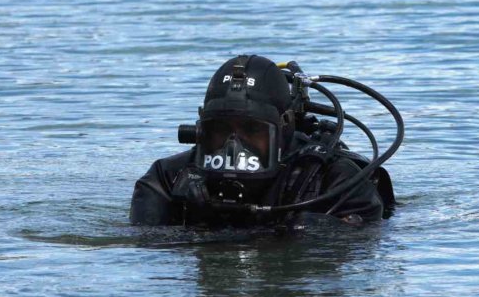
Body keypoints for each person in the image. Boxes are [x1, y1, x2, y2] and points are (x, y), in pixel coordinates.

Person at [129, 55, 402, 228]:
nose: (234, 146)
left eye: (252, 130)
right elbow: (147, 247)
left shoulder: (333, 182)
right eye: (220, 130)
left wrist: (304, 229)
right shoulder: (167, 180)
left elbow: (360, 248)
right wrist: (196, 219)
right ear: (200, 130)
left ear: (284, 129)